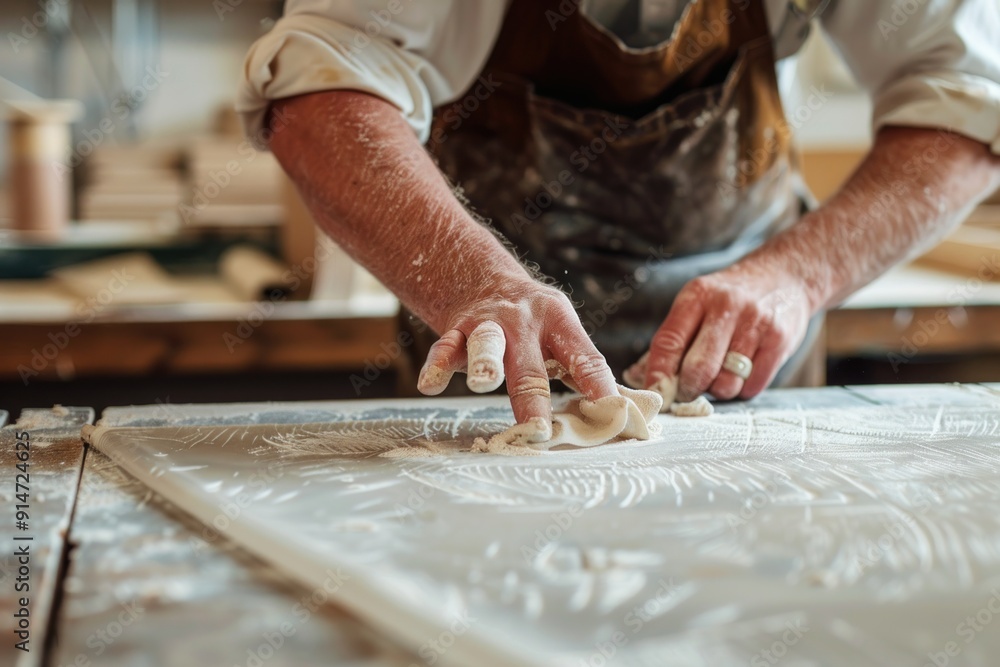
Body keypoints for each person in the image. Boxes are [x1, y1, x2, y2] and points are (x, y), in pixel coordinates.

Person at [237, 1, 1000, 441]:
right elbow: (318, 82)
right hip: (491, 358)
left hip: (748, 353)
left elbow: (967, 87)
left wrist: (798, 273)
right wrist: (474, 280)